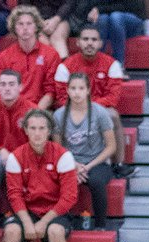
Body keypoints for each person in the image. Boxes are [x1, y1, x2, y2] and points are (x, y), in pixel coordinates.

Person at [3, 108, 77, 242]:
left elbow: (69, 197)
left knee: (55, 231)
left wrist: (44, 222)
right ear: (26, 130)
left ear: (49, 131)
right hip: (27, 211)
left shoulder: (63, 155)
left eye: (42, 128)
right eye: (33, 128)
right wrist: (28, 222)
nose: (37, 133)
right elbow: (14, 195)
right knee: (11, 231)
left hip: (54, 212)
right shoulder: (16, 157)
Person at [54, 23, 132, 176]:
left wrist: (88, 107)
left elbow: (113, 98)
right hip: (72, 108)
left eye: (94, 39)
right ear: (77, 42)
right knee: (54, 116)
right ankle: (61, 162)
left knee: (113, 115)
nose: (89, 43)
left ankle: (118, 163)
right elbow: (61, 98)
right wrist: (80, 107)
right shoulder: (66, 66)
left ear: (100, 43)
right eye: (85, 39)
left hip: (100, 109)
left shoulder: (112, 64)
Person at [53, 71, 114, 228]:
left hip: (97, 162)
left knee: (96, 180)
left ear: (88, 90)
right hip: (70, 162)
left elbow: (111, 147)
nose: (77, 92)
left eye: (81, 88)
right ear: (67, 90)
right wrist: (73, 165)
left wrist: (87, 167)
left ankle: (101, 225)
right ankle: (64, 221)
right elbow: (58, 148)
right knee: (59, 178)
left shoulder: (100, 112)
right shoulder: (59, 115)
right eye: (73, 88)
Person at [0, 69, 29, 224]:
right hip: (0, 161)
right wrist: (0, 150)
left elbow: (37, 142)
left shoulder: (32, 110)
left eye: (11, 84)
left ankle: (25, 210)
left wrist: (17, 157)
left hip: (24, 160)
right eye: (3, 84)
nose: (7, 88)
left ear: (20, 87)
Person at [0, 5, 58, 109]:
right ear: (14, 27)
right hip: (12, 109)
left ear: (36, 26)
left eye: (29, 23)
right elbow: (0, 90)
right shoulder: (4, 57)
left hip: (40, 111)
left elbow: (51, 92)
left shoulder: (51, 54)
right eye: (20, 24)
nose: (25, 28)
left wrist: (35, 113)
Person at [58, 0, 144, 65]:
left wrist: (99, 9)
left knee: (116, 17)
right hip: (109, 21)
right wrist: (96, 11)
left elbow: (129, 6)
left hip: (132, 19)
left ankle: (119, 64)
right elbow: (93, 4)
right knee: (103, 19)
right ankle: (98, 63)